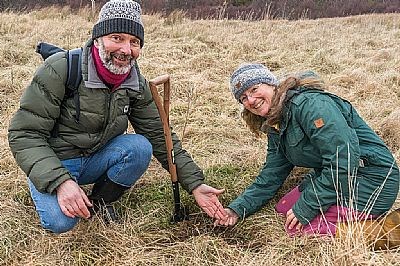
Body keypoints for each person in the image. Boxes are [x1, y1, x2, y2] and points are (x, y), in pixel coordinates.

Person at [8, 0, 226, 234]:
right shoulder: (61, 69)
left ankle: (99, 202)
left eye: (134, 42)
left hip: (95, 156)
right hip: (57, 158)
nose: (125, 49)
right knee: (60, 222)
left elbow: (158, 134)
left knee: (140, 147)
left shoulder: (134, 83)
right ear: (98, 38)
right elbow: (25, 134)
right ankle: (46, 182)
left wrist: (195, 184)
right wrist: (60, 182)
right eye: (117, 37)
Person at [214, 63, 400, 248]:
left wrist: (308, 206)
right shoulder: (274, 121)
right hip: (336, 176)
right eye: (243, 98)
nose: (251, 100)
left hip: (372, 179)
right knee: (284, 208)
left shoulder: (312, 106)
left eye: (254, 89)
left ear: (271, 84)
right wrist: (237, 209)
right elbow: (272, 173)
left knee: (300, 230)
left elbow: (344, 160)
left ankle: (390, 230)